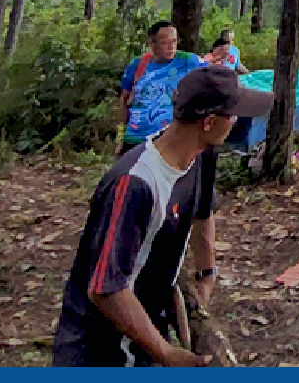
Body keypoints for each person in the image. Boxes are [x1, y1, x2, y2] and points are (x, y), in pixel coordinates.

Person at [53, 68, 241, 367]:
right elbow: (106, 289)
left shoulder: (201, 154)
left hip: (147, 328)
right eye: (232, 115)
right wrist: (167, 353)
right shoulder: (135, 184)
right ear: (208, 123)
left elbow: (203, 211)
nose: (237, 121)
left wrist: (207, 273)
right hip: (101, 349)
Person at [117, 21, 202, 157]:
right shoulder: (137, 64)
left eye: (174, 41)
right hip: (136, 137)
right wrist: (121, 135)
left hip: (169, 139)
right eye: (165, 42)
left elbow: (215, 75)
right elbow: (124, 100)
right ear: (152, 43)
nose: (171, 47)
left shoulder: (188, 61)